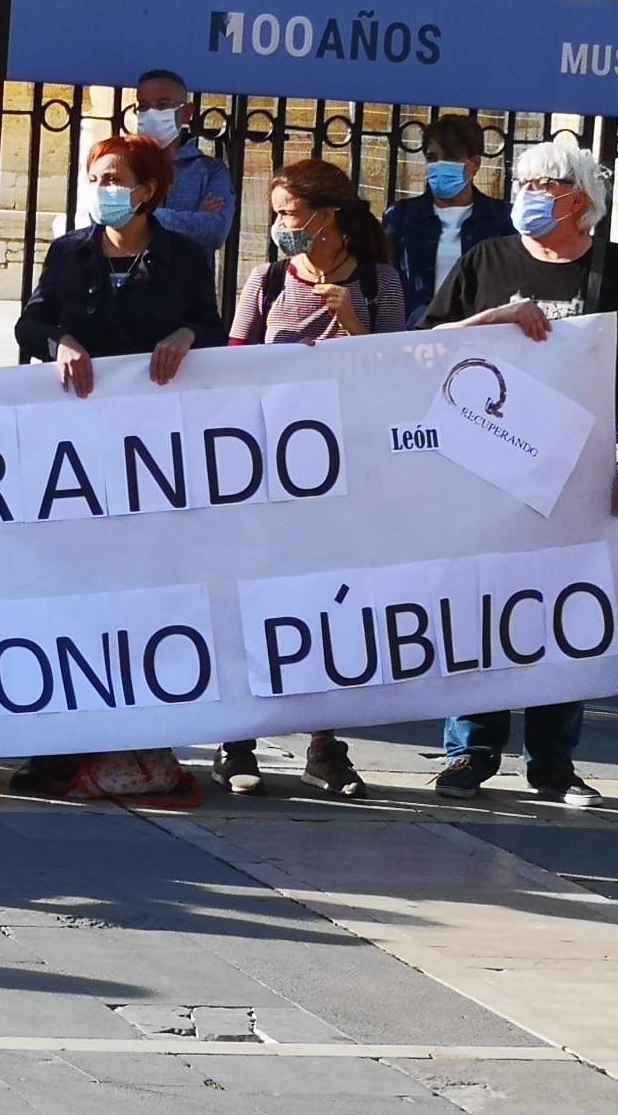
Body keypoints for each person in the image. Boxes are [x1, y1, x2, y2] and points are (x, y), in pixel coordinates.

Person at [424, 140, 618, 807]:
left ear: (579, 199)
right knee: (481, 605)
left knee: (560, 612)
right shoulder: (488, 260)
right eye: (525, 181)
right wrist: (498, 316)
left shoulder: (613, 271)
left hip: (577, 474)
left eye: (544, 184)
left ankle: (553, 761)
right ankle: (468, 750)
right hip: (486, 470)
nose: (528, 193)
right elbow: (431, 348)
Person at [9, 132, 223, 803]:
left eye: (115, 176)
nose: (104, 187)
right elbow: (32, 322)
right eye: (96, 175)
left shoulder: (184, 256)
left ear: (149, 188)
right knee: (74, 593)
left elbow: (211, 328)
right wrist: (60, 341)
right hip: (78, 451)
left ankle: (134, 739)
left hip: (154, 455)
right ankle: (59, 745)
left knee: (139, 592)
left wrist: (186, 336)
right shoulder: (70, 252)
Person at [219, 159, 406, 799]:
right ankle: (237, 740)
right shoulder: (267, 279)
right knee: (258, 601)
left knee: (332, 605)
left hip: (346, 472)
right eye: (275, 214)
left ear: (328, 218)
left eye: (289, 215)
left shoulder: (381, 281)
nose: (280, 227)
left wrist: (352, 322)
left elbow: (396, 376)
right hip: (268, 470)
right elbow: (231, 369)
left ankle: (326, 746)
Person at [383, 113, 513, 327]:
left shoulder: (501, 219)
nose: (439, 165)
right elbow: (388, 280)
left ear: (474, 165)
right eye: (432, 158)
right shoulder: (401, 216)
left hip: (479, 334)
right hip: (415, 335)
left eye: (451, 158)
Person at [131, 68, 234, 254]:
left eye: (162, 105)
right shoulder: (124, 162)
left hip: (188, 281)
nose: (152, 113)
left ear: (186, 112)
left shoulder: (211, 170)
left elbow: (213, 232)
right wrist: (194, 217)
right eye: (144, 106)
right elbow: (104, 218)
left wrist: (139, 216)